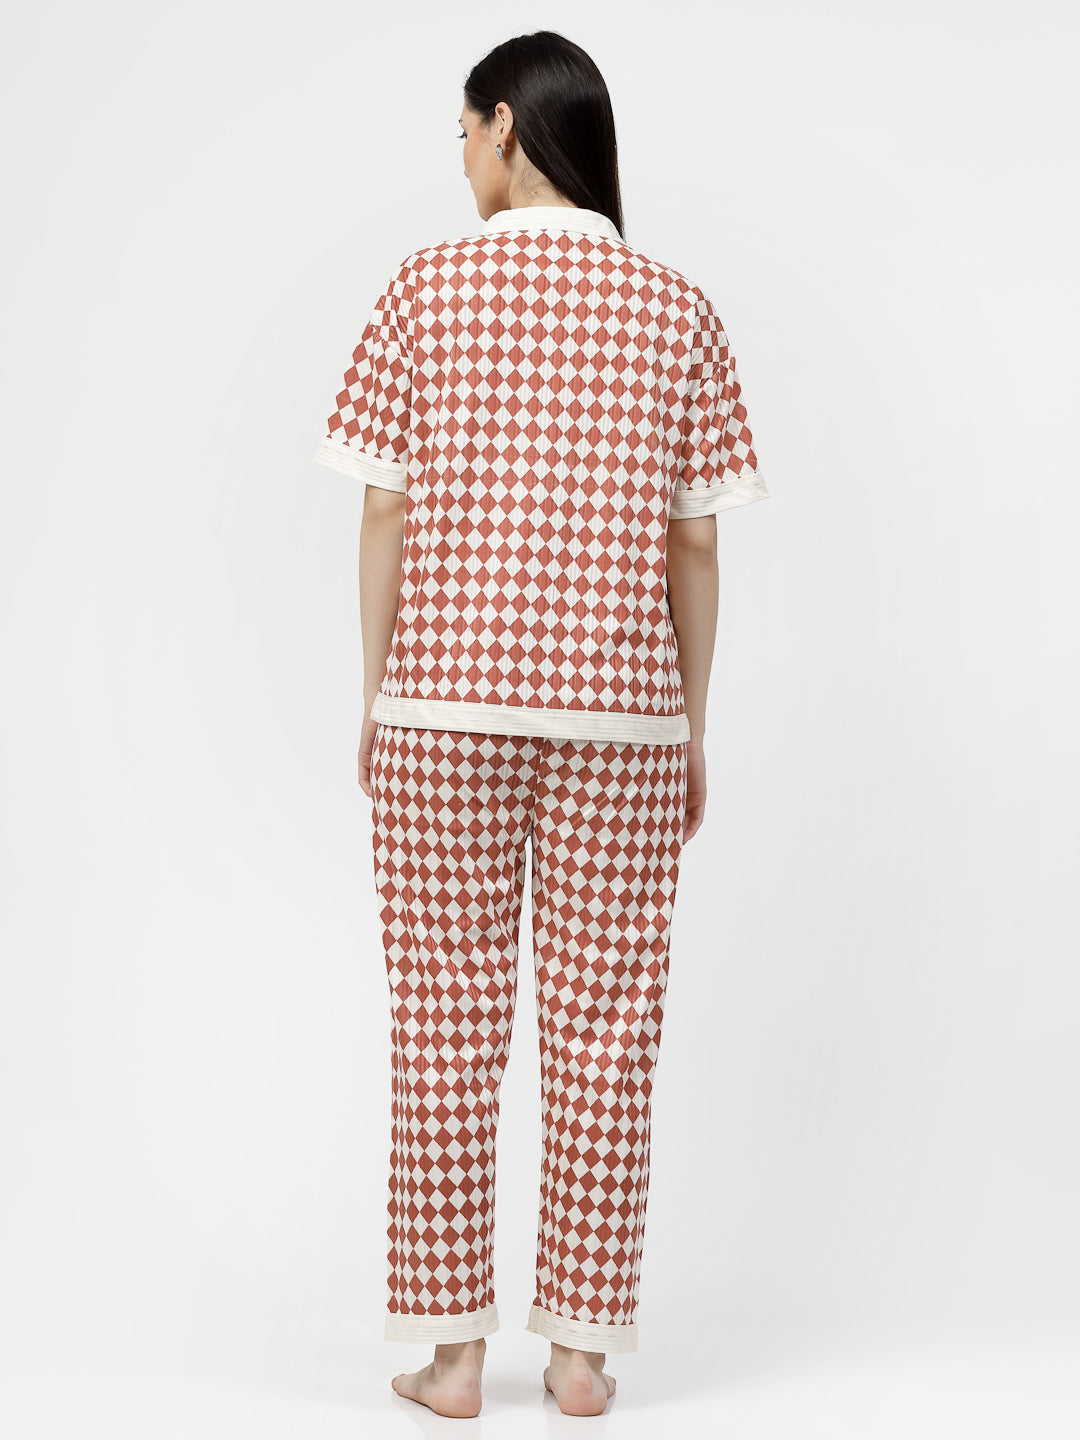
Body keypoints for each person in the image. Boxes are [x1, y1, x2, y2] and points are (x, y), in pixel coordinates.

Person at [312, 29, 769, 1419]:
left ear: (506, 125)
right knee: (607, 1027)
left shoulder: (425, 288)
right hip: (623, 720)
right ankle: (580, 1353)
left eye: (463, 131)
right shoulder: (676, 307)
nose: (460, 158)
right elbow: (696, 545)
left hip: (443, 709)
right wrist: (689, 724)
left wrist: (378, 691)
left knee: (444, 1022)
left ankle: (453, 1358)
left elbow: (383, 511)